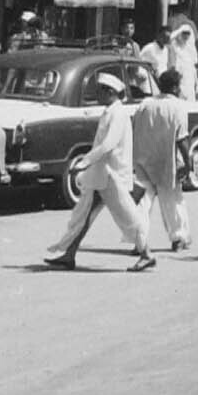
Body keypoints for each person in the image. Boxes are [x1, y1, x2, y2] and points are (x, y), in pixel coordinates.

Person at [44, 74, 155, 272]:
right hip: (101, 176)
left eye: (100, 90)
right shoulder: (110, 112)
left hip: (112, 177)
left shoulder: (118, 114)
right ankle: (69, 254)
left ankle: (147, 254)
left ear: (110, 92)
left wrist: (85, 162)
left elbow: (108, 145)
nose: (97, 94)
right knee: (83, 215)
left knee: (127, 215)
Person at [132, 68, 193, 253]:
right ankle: (179, 239)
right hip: (166, 161)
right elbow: (182, 139)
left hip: (142, 160)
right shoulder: (178, 106)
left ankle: (139, 242)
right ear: (174, 87)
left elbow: (134, 129)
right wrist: (188, 163)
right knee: (172, 201)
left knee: (143, 203)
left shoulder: (145, 104)